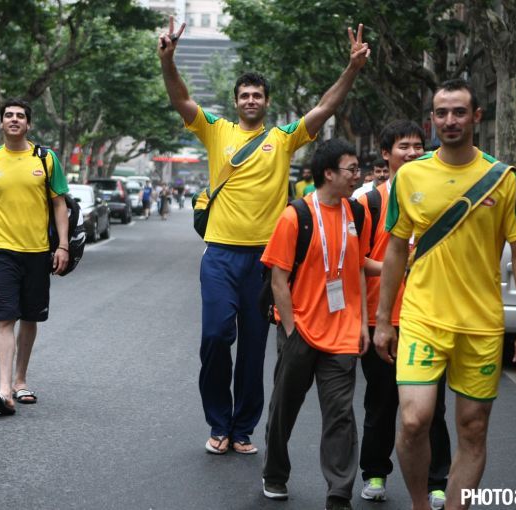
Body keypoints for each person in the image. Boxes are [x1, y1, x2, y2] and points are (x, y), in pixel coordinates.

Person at [158, 16, 371, 455]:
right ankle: (218, 421)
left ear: (266, 102)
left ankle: (241, 430)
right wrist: (168, 61)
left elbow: (325, 107)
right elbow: (181, 99)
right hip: (220, 256)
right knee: (216, 337)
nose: (251, 100)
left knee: (254, 349)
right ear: (235, 102)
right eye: (244, 95)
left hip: (265, 262)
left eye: (257, 95)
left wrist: (352, 68)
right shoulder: (216, 130)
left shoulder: (283, 138)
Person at [374, 79, 516, 510]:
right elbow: (395, 249)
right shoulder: (410, 175)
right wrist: (382, 320)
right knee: (414, 420)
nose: (450, 120)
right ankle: (419, 504)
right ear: (432, 119)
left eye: (459, 112)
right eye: (442, 113)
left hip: (480, 324)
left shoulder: (503, 179)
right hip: (422, 318)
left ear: (476, 117)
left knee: (472, 429)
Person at [261, 139, 371, 510]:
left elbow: (358, 267)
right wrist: (291, 331)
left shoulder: (356, 213)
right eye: (351, 169)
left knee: (340, 414)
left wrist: (362, 323)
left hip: (342, 333)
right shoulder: (296, 216)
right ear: (328, 173)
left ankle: (339, 492)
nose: (357, 175)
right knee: (284, 407)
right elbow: (278, 280)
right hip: (301, 331)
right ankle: (275, 473)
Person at [355, 120, 451, 509]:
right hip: (383, 319)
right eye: (403, 147)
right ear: (385, 154)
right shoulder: (370, 203)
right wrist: (366, 321)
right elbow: (355, 261)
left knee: (433, 409)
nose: (411, 153)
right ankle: (375, 472)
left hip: (429, 319)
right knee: (381, 402)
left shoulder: (438, 198)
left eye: (417, 147)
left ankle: (437, 481)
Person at [0, 98, 70, 415]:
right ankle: (4, 390)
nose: (14, 119)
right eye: (9, 115)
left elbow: (59, 205)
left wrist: (63, 246)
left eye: (20, 116)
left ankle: (20, 380)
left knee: (30, 317)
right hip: (2, 252)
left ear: (28, 124)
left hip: (38, 252)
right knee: (4, 318)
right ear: (1, 122)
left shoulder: (46, 159)